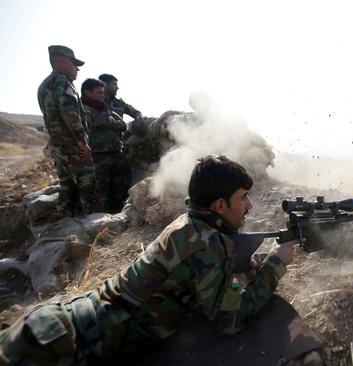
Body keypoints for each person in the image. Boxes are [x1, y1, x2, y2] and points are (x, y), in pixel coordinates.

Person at [0, 155, 296, 365]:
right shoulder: (208, 244)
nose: (249, 205)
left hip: (60, 322)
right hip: (60, 347)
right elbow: (229, 321)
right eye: (243, 197)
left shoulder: (190, 223)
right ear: (220, 205)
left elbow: (197, 278)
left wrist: (238, 270)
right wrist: (275, 265)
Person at [37, 45, 97, 216]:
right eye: (74, 63)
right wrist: (82, 143)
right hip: (73, 147)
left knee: (67, 186)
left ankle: (63, 220)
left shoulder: (44, 86)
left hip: (58, 147)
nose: (77, 68)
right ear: (61, 63)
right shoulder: (63, 82)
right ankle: (92, 228)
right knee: (88, 187)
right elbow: (70, 115)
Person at [80, 78, 130, 213]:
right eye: (98, 93)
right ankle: (101, 217)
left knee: (119, 186)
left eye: (103, 93)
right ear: (87, 92)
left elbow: (123, 125)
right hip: (98, 156)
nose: (102, 96)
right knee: (101, 189)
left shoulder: (105, 108)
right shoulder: (83, 109)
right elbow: (95, 121)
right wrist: (111, 122)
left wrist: (109, 122)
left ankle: (117, 215)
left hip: (115, 152)